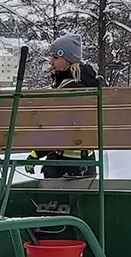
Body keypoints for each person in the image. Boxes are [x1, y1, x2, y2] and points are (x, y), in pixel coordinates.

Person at [34, 34, 99, 179]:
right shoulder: (89, 84)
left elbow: (61, 129)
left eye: (55, 57)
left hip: (64, 164)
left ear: (67, 59)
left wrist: (37, 153)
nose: (51, 61)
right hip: (86, 163)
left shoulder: (71, 89)